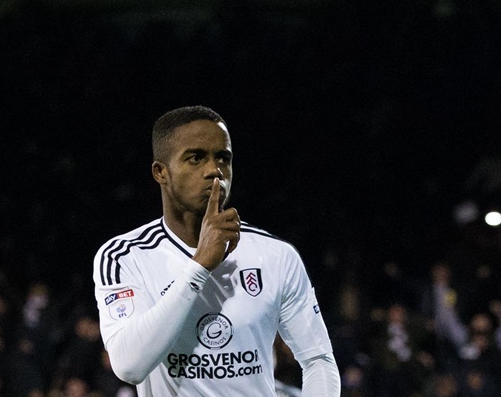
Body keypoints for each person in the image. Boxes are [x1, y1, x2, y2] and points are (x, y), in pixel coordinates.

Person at [92, 106, 340, 396]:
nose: (215, 171)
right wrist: (199, 267)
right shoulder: (125, 256)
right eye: (196, 158)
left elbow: (318, 360)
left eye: (223, 158)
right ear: (161, 172)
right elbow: (129, 366)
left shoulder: (275, 256)